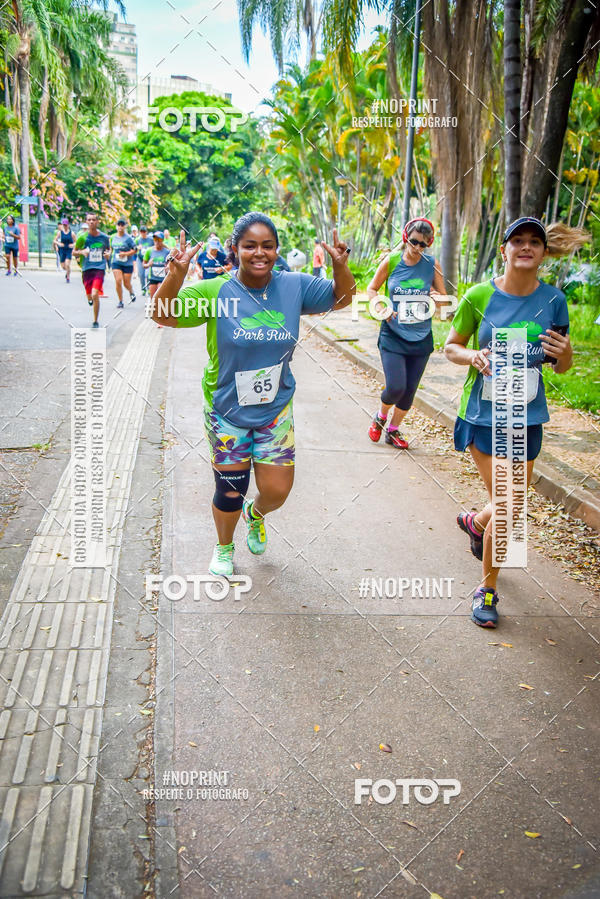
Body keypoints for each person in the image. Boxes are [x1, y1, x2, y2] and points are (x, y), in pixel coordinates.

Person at [151, 212, 356, 578]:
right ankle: (224, 547)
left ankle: (256, 514)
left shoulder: (294, 287)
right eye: (250, 246)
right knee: (230, 488)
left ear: (276, 251)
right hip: (226, 408)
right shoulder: (216, 291)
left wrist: (341, 267)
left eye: (267, 246)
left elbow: (342, 299)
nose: (259, 253)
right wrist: (175, 277)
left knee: (277, 490)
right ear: (235, 249)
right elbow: (164, 316)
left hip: (274, 409)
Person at [444, 217, 588, 629]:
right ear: (504, 249)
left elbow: (560, 368)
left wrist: (566, 352)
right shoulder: (479, 295)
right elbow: (451, 347)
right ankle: (486, 589)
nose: (526, 247)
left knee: (505, 505)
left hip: (528, 417)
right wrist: (472, 356)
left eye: (534, 242)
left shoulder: (554, 301)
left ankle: (477, 522)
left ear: (544, 252)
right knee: (509, 506)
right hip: (483, 416)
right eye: (517, 240)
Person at [366, 217, 447, 448]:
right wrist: (381, 307)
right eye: (414, 242)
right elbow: (372, 288)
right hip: (393, 333)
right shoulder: (391, 261)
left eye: (423, 244)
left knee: (409, 390)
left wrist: (437, 298)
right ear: (405, 238)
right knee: (396, 386)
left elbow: (445, 297)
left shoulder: (431, 264)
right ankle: (380, 417)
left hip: (421, 336)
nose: (418, 248)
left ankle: (393, 431)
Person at [73, 212, 111, 328]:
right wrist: (81, 252)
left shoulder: (104, 237)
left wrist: (108, 254)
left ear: (97, 222)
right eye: (89, 220)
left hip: (99, 268)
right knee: (89, 295)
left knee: (95, 294)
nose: (91, 222)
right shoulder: (82, 238)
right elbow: (74, 252)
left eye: (93, 220)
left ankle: (95, 321)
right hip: (86, 268)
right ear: (86, 222)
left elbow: (109, 250)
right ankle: (89, 298)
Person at [110, 218, 137, 308]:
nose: (120, 227)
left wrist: (125, 253)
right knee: (118, 281)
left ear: (125, 226)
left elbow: (135, 250)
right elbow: (111, 249)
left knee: (126, 283)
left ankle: (131, 291)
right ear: (116, 226)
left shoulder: (128, 238)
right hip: (116, 262)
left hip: (127, 263)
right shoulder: (113, 237)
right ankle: (120, 301)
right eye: (119, 225)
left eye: (122, 225)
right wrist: (108, 254)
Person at [143, 231, 170, 299]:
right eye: (155, 239)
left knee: (159, 296)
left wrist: (168, 267)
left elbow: (170, 264)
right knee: (153, 299)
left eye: (159, 239)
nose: (157, 241)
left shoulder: (167, 252)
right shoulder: (149, 251)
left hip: (162, 278)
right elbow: (144, 265)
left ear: (162, 240)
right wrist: (148, 264)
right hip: (152, 277)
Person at [52, 218, 76, 282]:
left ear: (68, 225)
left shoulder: (72, 233)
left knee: (67, 264)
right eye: (64, 225)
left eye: (66, 225)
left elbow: (76, 242)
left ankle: (68, 277)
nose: (65, 226)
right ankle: (68, 271)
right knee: (63, 266)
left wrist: (73, 245)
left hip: (69, 250)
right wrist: (59, 244)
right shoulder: (60, 232)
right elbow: (54, 240)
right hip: (62, 250)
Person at [136, 226, 154, 295]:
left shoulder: (150, 239)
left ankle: (149, 289)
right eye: (141, 232)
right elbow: (133, 248)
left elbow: (155, 246)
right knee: (141, 274)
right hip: (140, 259)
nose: (143, 233)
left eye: (144, 231)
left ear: (146, 232)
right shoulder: (138, 240)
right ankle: (143, 289)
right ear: (140, 232)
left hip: (148, 259)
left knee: (147, 275)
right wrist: (137, 248)